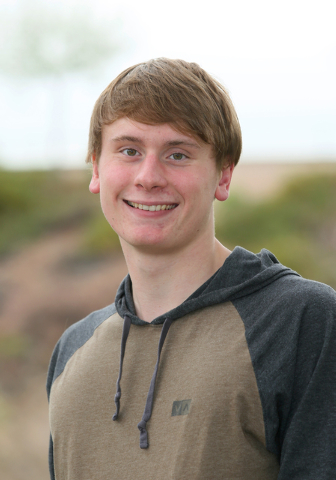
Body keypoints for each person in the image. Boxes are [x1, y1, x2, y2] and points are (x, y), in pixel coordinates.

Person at [46, 58, 336, 480]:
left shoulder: (301, 321)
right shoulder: (73, 349)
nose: (148, 177)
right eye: (129, 150)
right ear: (96, 168)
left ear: (223, 175)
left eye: (177, 154)